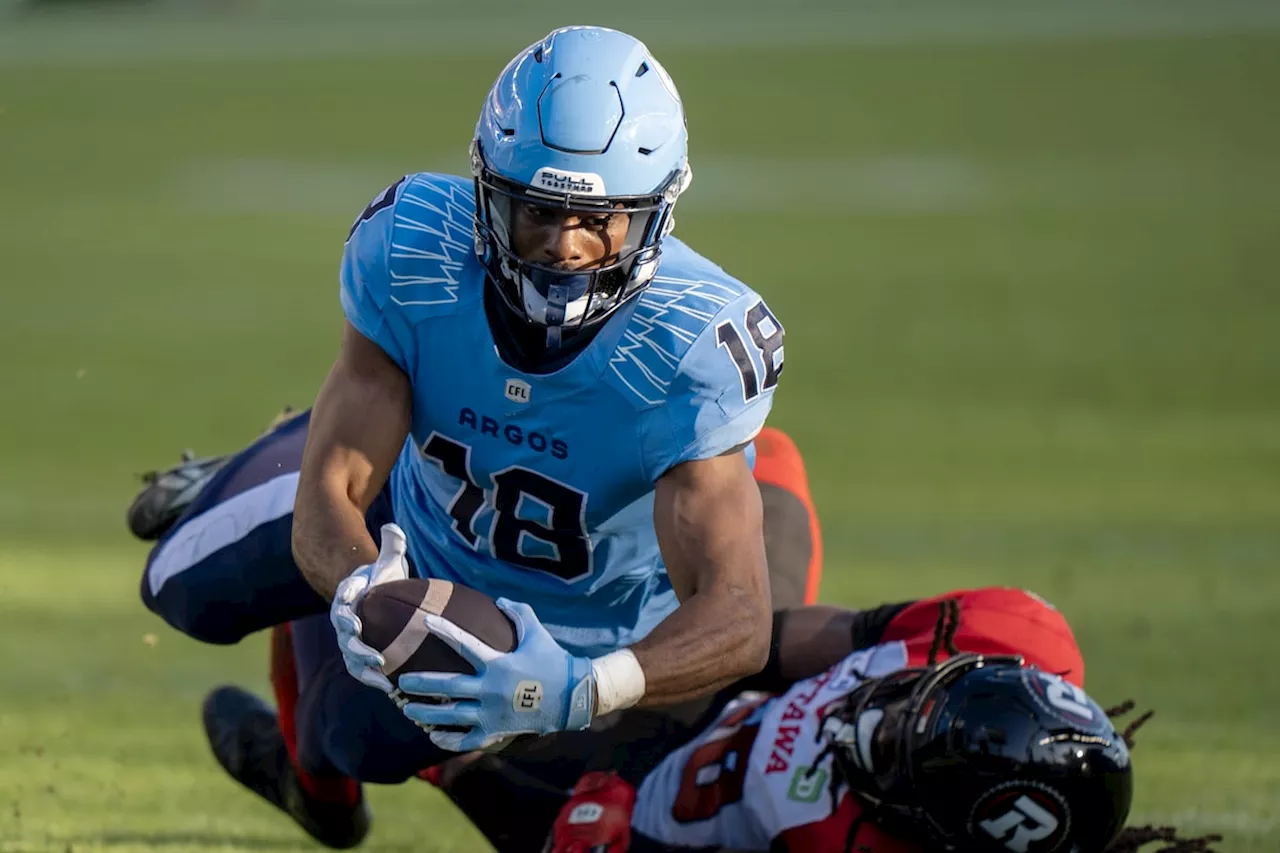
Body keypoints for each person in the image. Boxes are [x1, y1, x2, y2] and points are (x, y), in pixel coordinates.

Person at [129, 27, 808, 845]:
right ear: (487, 190)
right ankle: (278, 451)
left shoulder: (694, 345)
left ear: (655, 211)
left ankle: (318, 777)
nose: (564, 246)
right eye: (537, 214)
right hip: (417, 520)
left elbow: (738, 614)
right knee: (176, 585)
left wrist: (586, 686)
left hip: (581, 625)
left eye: (598, 220)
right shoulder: (414, 248)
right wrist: (358, 584)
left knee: (351, 735)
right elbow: (332, 498)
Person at [426, 588, 1220, 853]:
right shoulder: (1014, 631)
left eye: (895, 752)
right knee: (763, 468)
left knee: (436, 725)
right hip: (722, 705)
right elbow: (800, 638)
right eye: (913, 700)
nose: (872, 715)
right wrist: (652, 658)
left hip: (649, 817)